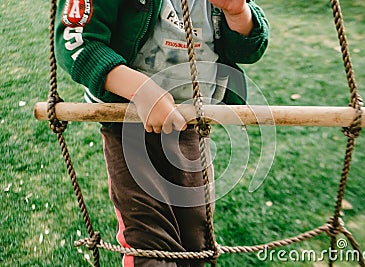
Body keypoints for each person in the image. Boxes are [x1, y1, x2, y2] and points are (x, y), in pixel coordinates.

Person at [55, 0, 269, 266]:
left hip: (191, 125)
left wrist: (237, 12)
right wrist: (140, 89)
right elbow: (76, 40)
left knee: (195, 235)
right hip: (129, 123)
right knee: (148, 240)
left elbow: (247, 48)